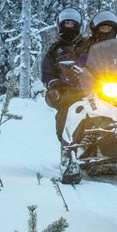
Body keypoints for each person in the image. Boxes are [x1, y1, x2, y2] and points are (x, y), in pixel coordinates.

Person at [40, 7, 90, 140]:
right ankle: (66, 142)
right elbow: (47, 71)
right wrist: (54, 83)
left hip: (93, 86)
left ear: (78, 26)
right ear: (61, 25)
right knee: (66, 106)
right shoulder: (56, 50)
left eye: (72, 24)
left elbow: (102, 58)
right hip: (68, 88)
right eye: (67, 23)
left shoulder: (88, 45)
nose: (70, 27)